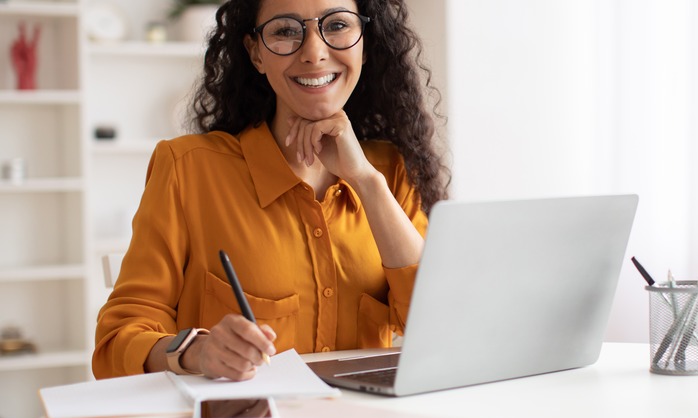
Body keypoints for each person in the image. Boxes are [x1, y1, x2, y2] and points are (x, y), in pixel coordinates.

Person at [92, 0, 449, 381]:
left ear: (365, 42)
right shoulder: (188, 169)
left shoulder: (390, 172)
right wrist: (196, 352)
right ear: (256, 53)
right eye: (286, 31)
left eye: (337, 25)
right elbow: (117, 340)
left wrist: (365, 180)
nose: (314, 52)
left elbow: (441, 331)